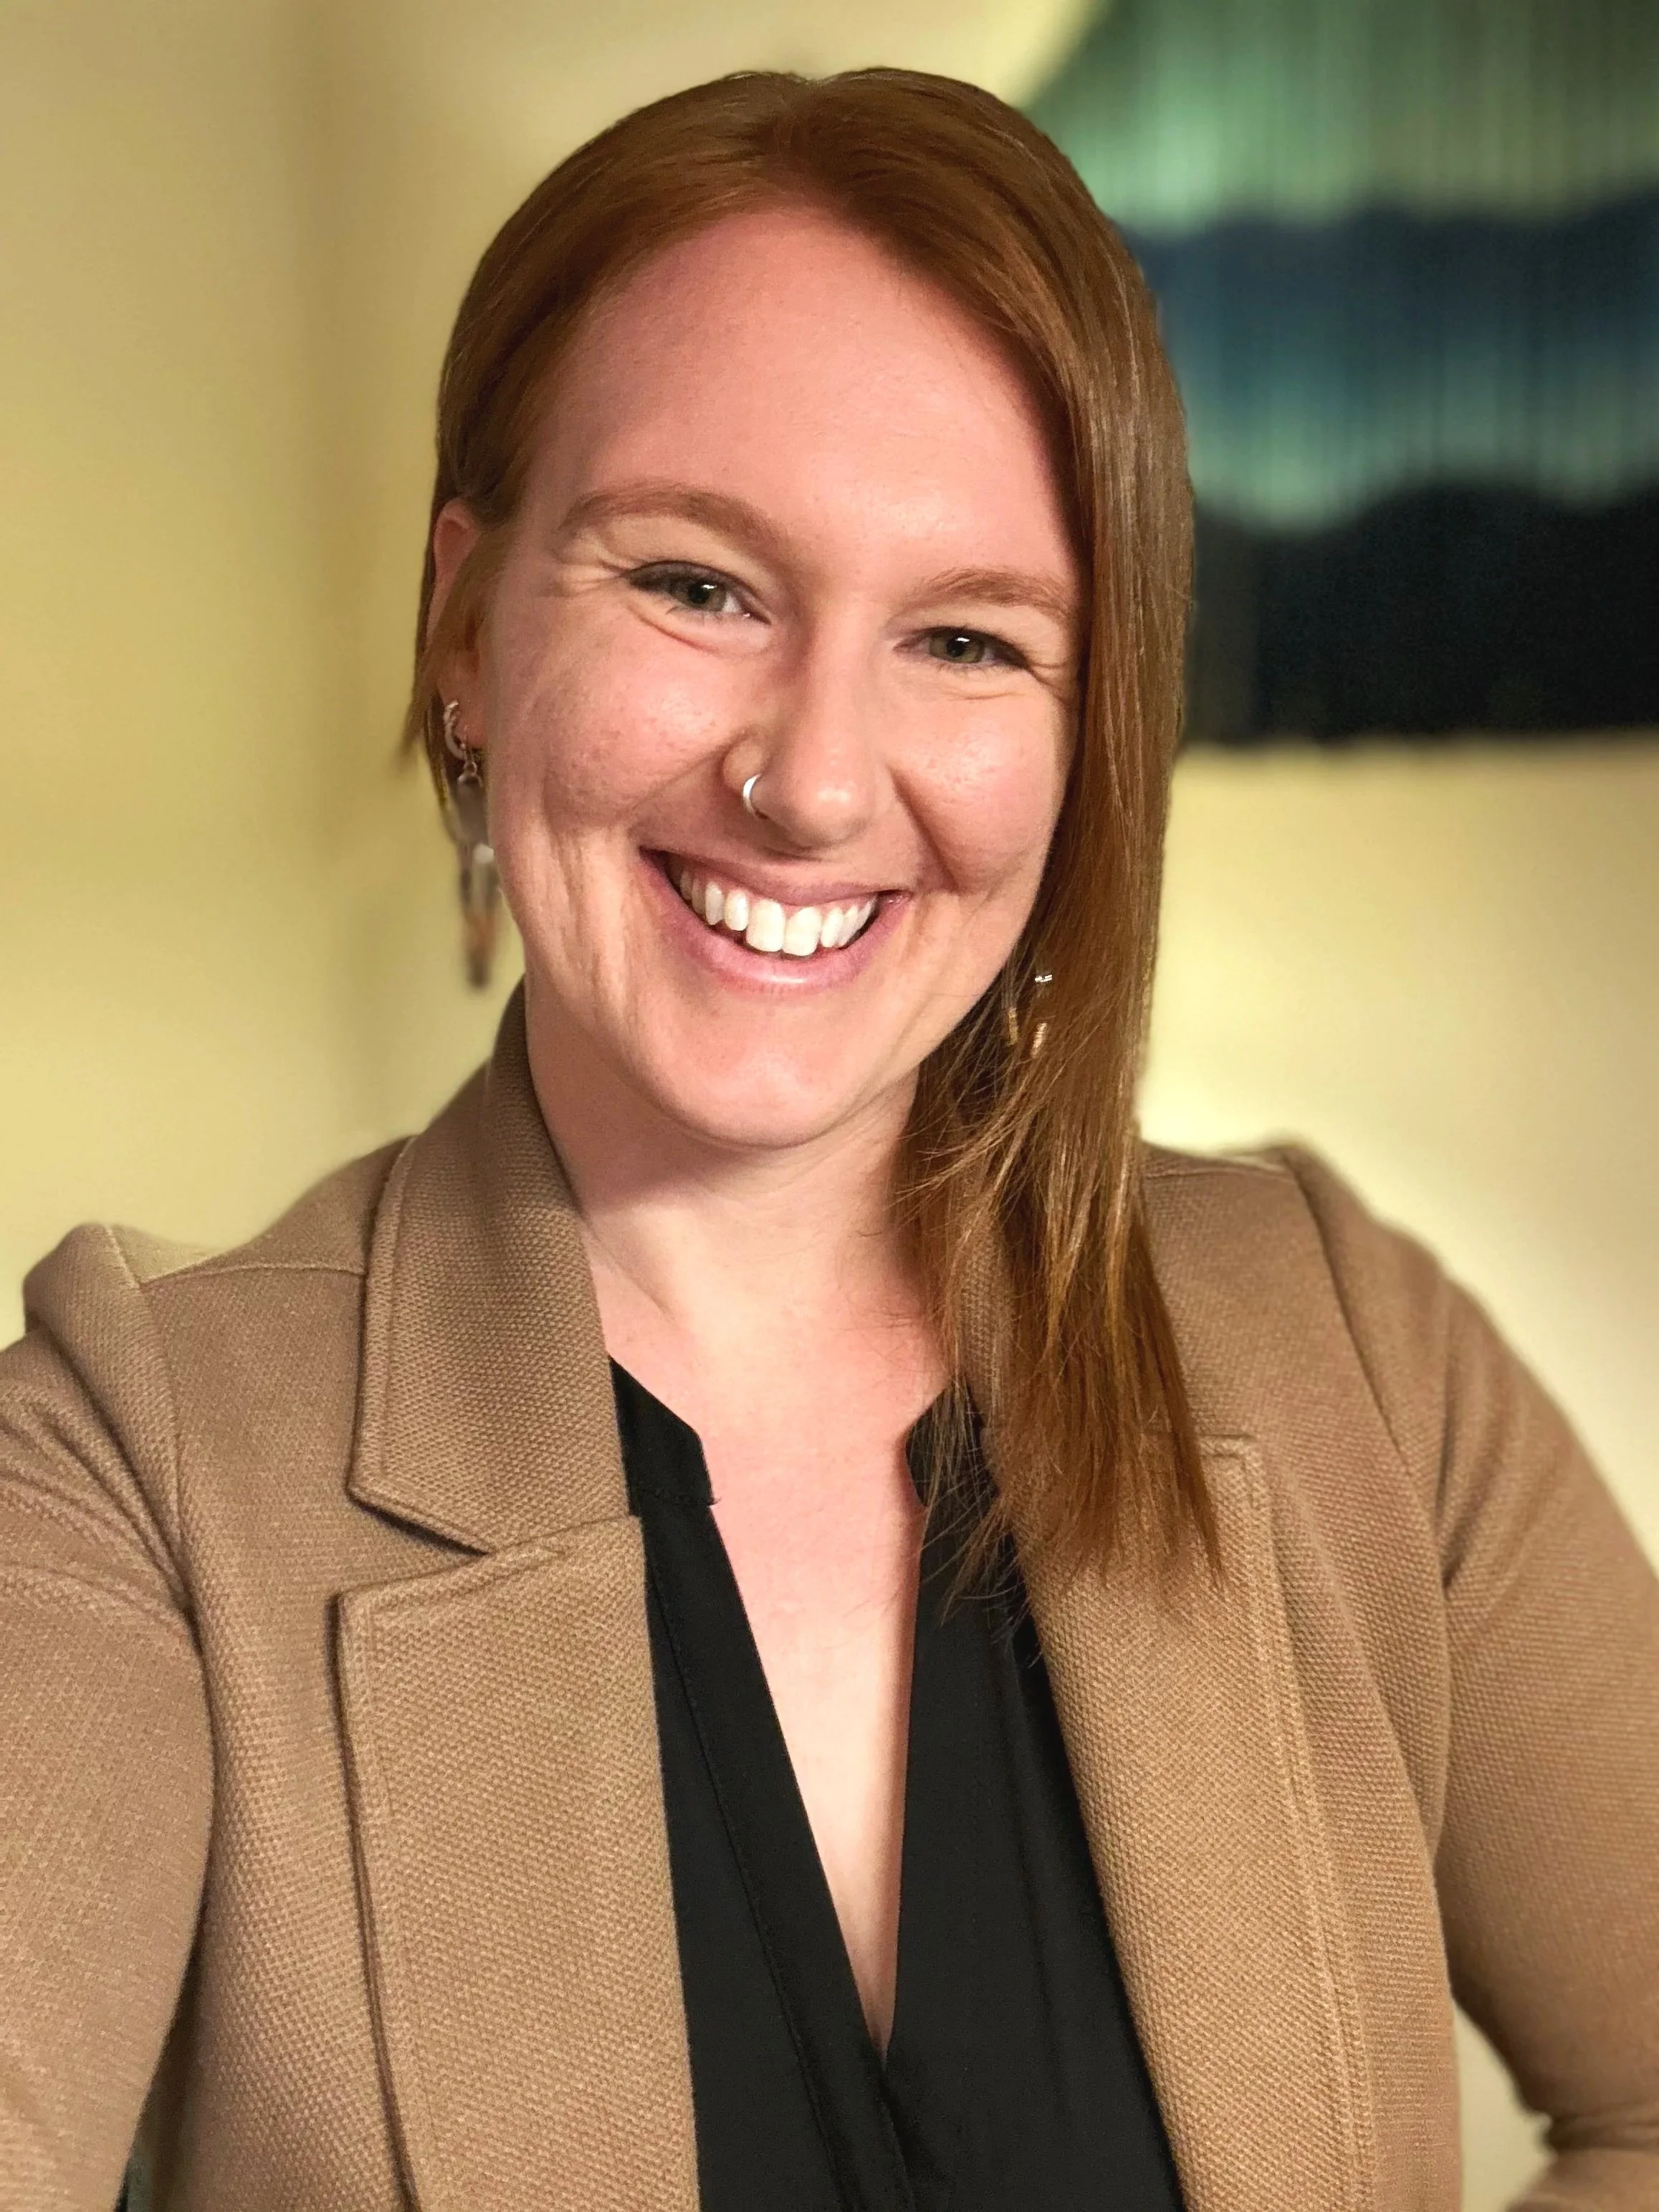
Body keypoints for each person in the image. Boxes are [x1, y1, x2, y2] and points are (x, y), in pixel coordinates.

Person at [2, 67, 1656, 2212]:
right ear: (466, 623)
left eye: (968, 639)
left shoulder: (1355, 1348)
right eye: (698, 585)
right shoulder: (137, 1461)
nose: (811, 776)